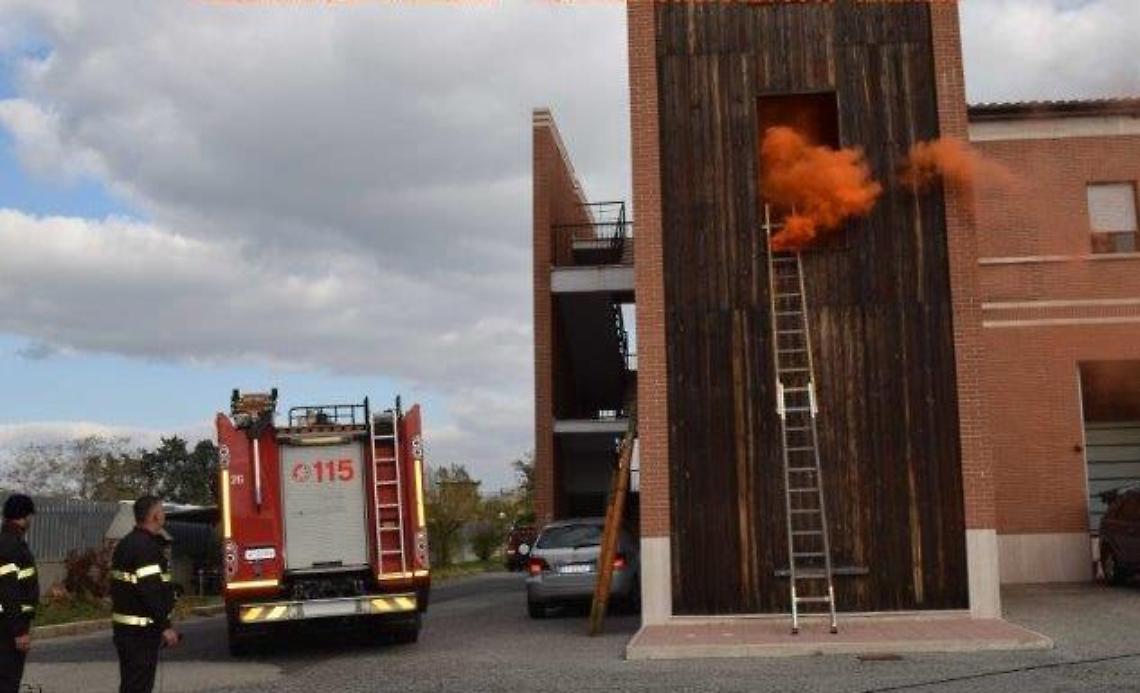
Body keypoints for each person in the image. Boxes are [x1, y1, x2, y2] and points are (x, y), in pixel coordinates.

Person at [111, 496, 180, 693]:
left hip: (125, 631)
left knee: (131, 684)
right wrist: (165, 626)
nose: (164, 515)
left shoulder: (125, 544)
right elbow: (150, 590)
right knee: (139, 686)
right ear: (155, 516)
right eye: (162, 511)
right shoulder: (147, 548)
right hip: (141, 634)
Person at [0, 494, 38, 693]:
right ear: (25, 516)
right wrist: (20, 631)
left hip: (6, 622)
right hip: (8, 627)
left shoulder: (6, 541)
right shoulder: (12, 546)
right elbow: (9, 591)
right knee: (8, 680)